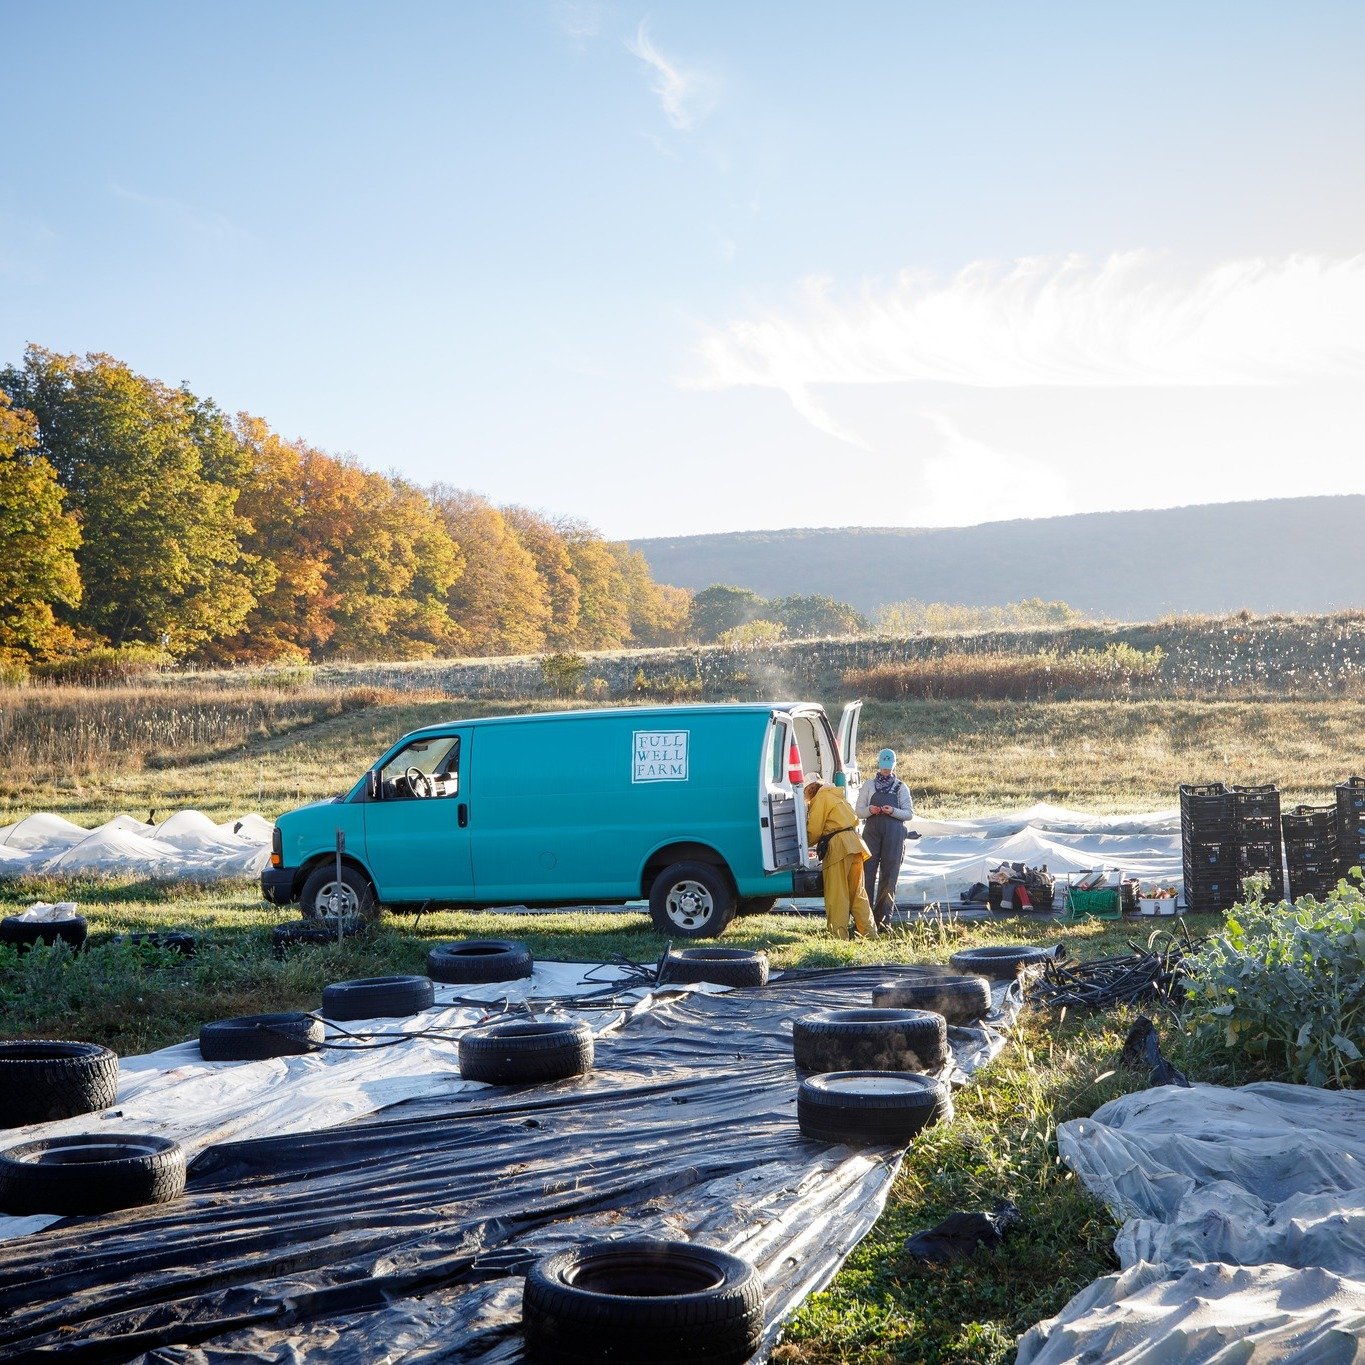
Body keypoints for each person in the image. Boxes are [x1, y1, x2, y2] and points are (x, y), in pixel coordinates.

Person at [804, 777, 877, 940]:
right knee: (857, 894)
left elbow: (814, 830)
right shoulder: (837, 796)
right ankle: (870, 934)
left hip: (838, 848)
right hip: (855, 845)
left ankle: (838, 938)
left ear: (810, 789)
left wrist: (802, 845)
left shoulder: (821, 798)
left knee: (837, 895)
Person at [855, 748, 913, 930]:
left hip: (894, 835)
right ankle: (864, 920)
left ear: (894, 766)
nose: (886, 770)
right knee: (867, 874)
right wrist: (869, 810)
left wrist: (892, 811)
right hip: (871, 833)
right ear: (878, 765)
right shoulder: (868, 786)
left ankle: (883, 921)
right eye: (883, 767)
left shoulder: (901, 787)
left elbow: (909, 814)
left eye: (889, 767)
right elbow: (858, 810)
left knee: (889, 876)